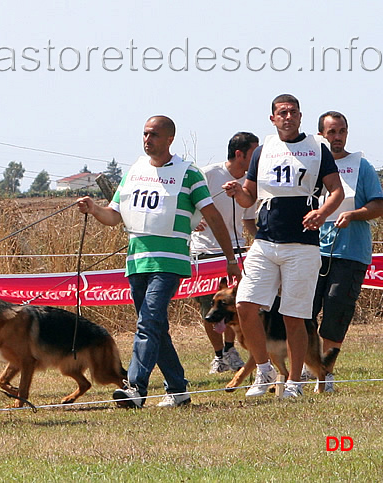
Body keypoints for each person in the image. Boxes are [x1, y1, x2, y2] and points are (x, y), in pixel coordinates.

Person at [77, 115, 241, 409]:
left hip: (169, 262)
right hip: (137, 261)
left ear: (169, 139)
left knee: (148, 321)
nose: (147, 139)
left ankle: (135, 388)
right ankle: (178, 389)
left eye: (153, 134)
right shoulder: (135, 172)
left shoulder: (188, 174)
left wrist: (230, 258)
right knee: (154, 327)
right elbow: (114, 216)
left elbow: (213, 216)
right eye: (144, 134)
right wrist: (94, 208)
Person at [223, 94, 344, 398]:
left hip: (302, 245)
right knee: (245, 305)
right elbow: (250, 198)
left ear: (301, 117)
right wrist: (238, 192)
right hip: (265, 241)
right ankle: (263, 372)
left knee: (294, 315)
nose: (288, 117)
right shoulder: (263, 150)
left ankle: (293, 383)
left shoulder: (317, 148)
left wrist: (323, 212)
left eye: (293, 112)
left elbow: (336, 191)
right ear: (272, 118)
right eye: (282, 112)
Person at [307, 111, 383, 392]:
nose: (337, 138)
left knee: (337, 311)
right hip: (311, 251)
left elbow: (379, 205)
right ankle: (307, 367)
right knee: (305, 311)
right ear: (320, 135)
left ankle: (326, 374)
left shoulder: (361, 166)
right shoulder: (310, 165)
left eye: (341, 131)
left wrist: (353, 214)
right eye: (331, 132)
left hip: (350, 253)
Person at [191, 132, 259, 374]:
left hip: (239, 251)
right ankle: (218, 355)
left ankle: (231, 348)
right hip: (206, 251)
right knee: (209, 306)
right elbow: (184, 202)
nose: (258, 157)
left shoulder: (253, 182)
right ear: (239, 154)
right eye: (254, 153)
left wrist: (263, 238)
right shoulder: (208, 174)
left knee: (237, 303)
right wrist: (192, 220)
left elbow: (249, 218)